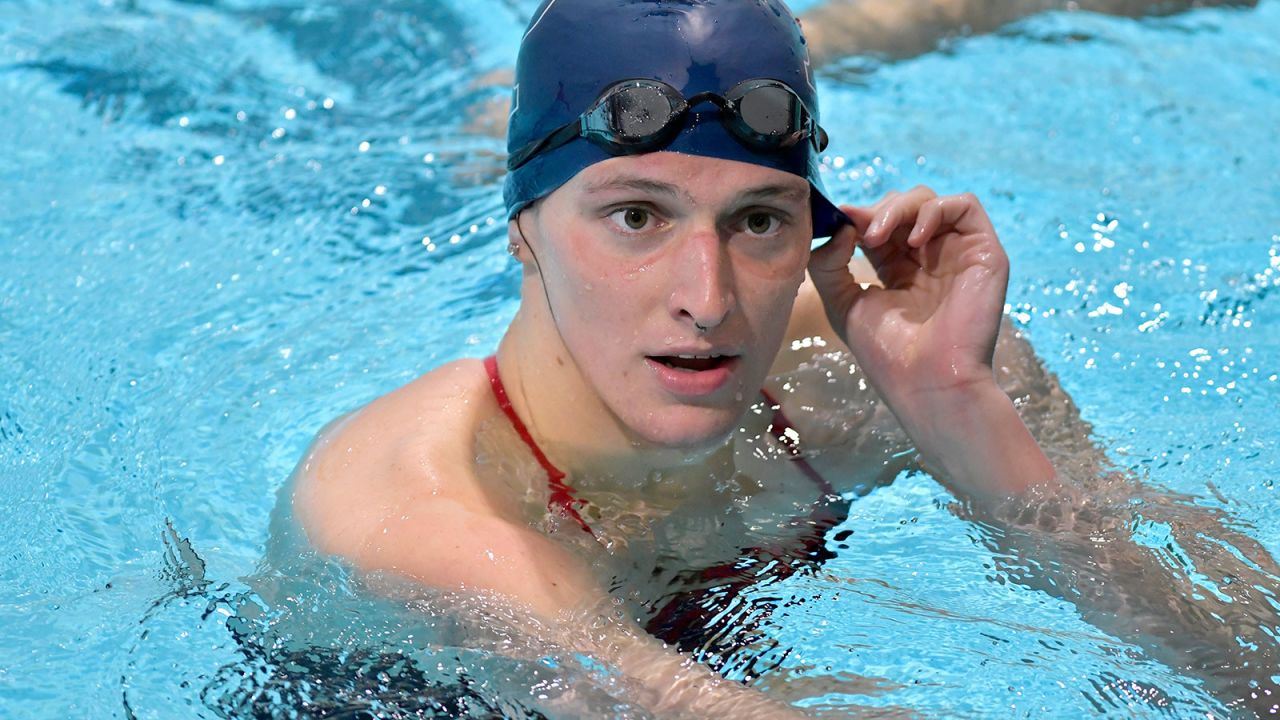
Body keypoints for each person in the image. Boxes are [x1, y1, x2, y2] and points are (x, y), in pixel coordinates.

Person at [287, 0, 1279, 717]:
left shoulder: (844, 374)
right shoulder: (426, 507)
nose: (706, 299)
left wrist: (959, 408)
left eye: (756, 221)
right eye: (635, 216)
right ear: (520, 230)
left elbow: (1251, 665)